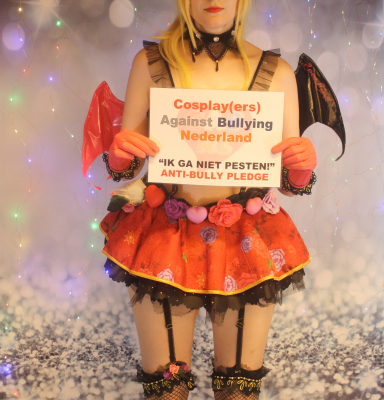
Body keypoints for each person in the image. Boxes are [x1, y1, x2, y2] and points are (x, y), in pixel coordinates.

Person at [96, 0, 319, 398]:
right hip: (165, 235)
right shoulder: (150, 64)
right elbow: (130, 166)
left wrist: (300, 167)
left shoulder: (278, 73)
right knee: (166, 389)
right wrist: (120, 156)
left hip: (246, 240)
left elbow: (286, 180)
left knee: (239, 390)